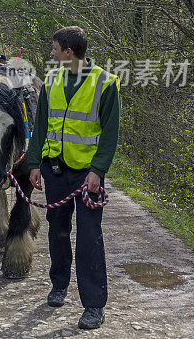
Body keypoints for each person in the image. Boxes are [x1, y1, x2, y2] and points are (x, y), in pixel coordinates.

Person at [26, 26, 121, 330]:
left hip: (87, 176)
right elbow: (41, 124)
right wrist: (34, 162)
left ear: (68, 51)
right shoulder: (52, 80)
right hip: (55, 171)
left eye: (54, 49)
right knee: (57, 231)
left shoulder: (105, 83)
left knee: (90, 238)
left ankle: (93, 305)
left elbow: (110, 132)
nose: (51, 54)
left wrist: (98, 170)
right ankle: (59, 285)